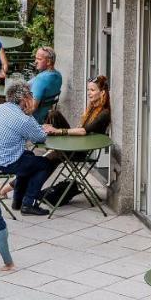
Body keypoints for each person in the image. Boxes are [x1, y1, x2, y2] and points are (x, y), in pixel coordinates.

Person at [0, 82, 53, 216]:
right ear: (24, 99)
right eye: (31, 95)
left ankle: (18, 201)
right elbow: (39, 138)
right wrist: (30, 113)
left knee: (28, 157)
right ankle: (28, 204)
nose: (32, 98)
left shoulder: (1, 108)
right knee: (45, 164)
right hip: (0, 163)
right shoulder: (23, 119)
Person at [41, 75, 112, 208]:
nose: (89, 93)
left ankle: (22, 189)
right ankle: (48, 141)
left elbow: (83, 131)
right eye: (88, 90)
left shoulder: (104, 113)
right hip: (77, 144)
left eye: (92, 90)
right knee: (53, 114)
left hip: (81, 151)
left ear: (102, 92)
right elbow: (80, 129)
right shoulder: (92, 108)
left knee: (47, 160)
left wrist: (58, 131)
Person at [28, 46, 63, 123]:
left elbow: (32, 107)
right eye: (36, 58)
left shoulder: (41, 79)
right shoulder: (58, 75)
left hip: (34, 120)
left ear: (48, 62)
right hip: (46, 117)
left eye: (39, 59)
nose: (35, 61)